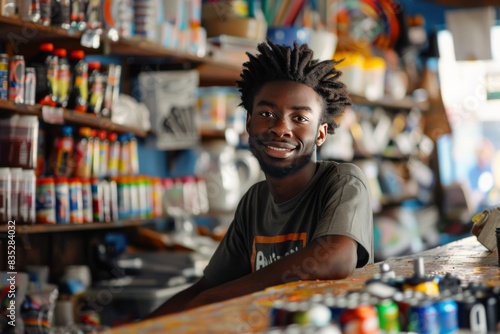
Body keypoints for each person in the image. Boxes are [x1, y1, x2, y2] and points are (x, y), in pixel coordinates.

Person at [148, 39, 374, 318]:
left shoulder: (342, 181)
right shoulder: (254, 200)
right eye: (267, 114)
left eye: (300, 118)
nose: (281, 128)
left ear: (320, 133)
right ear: (248, 124)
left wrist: (214, 297)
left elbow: (335, 258)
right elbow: (207, 286)